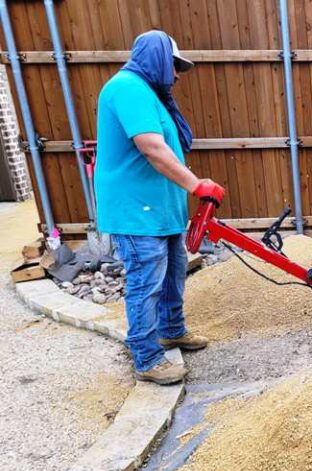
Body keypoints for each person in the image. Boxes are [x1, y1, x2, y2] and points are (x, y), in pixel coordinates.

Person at [95, 31, 225, 385]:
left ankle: (171, 330)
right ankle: (147, 357)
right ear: (157, 58)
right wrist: (196, 184)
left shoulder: (150, 95)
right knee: (146, 282)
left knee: (173, 273)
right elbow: (152, 147)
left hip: (160, 210)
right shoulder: (128, 89)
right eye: (175, 65)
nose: (178, 75)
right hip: (137, 212)